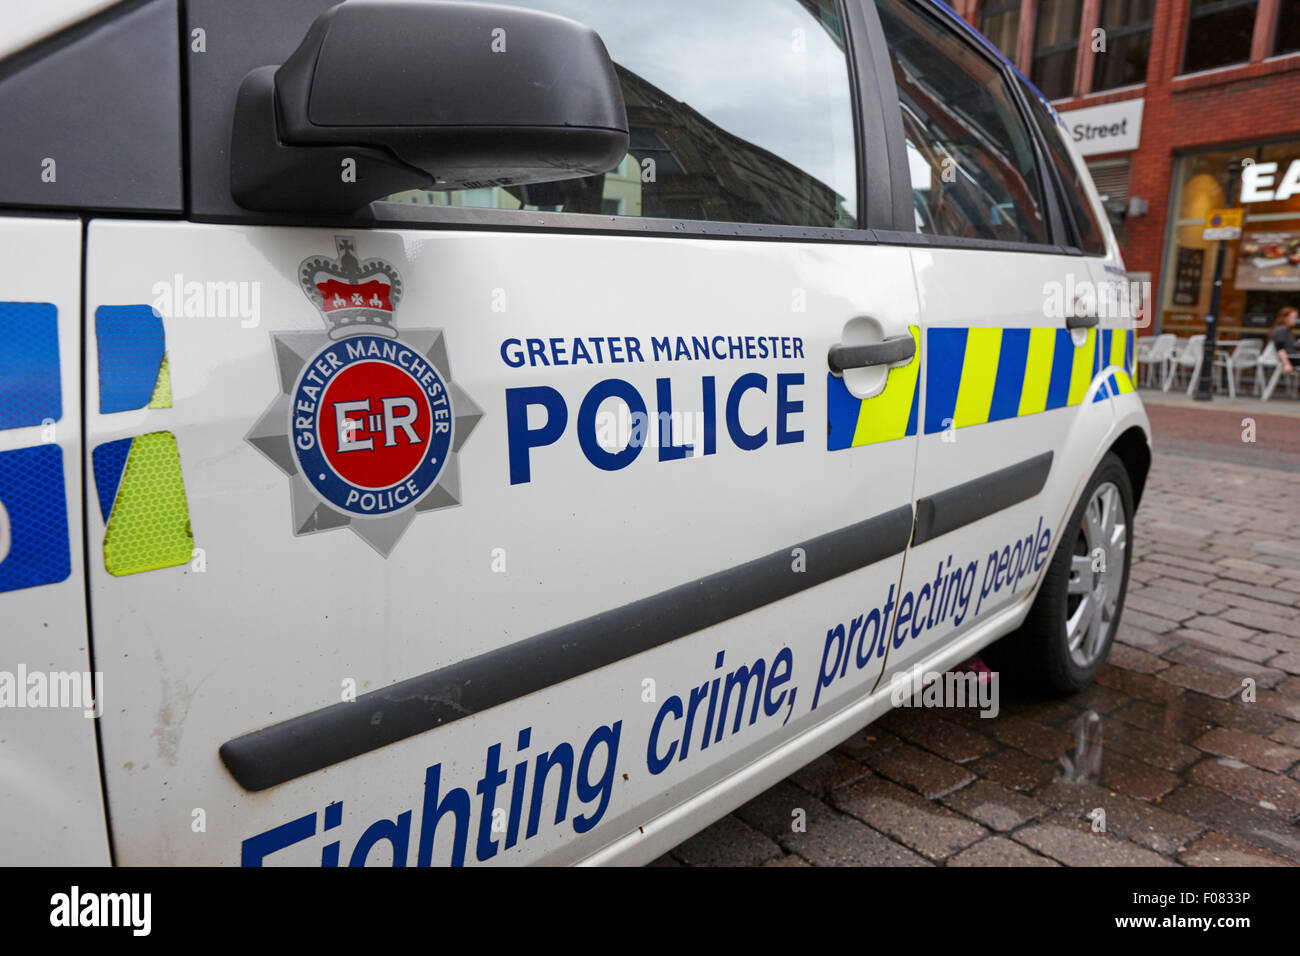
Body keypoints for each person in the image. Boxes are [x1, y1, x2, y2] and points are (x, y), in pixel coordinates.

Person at [1270, 306, 1300, 374]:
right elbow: (1280, 348)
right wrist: (1286, 364)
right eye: (1294, 317)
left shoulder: (1286, 330)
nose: (1295, 320)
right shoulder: (1281, 330)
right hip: (1291, 359)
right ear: (1285, 318)